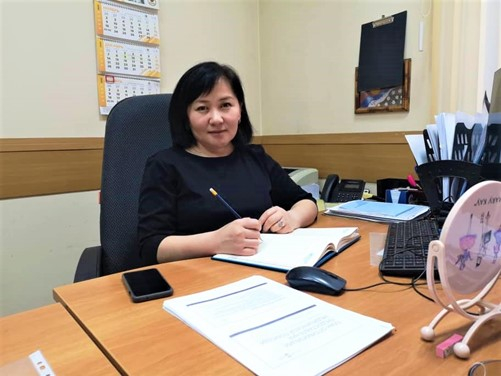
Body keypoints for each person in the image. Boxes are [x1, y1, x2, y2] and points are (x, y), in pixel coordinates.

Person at [138, 61, 317, 264]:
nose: (216, 118)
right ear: (186, 117)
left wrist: (292, 218)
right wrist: (216, 241)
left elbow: (306, 202)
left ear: (239, 110)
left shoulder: (255, 157)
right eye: (202, 108)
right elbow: (151, 247)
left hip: (265, 270)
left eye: (225, 105)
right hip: (196, 278)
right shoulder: (164, 166)